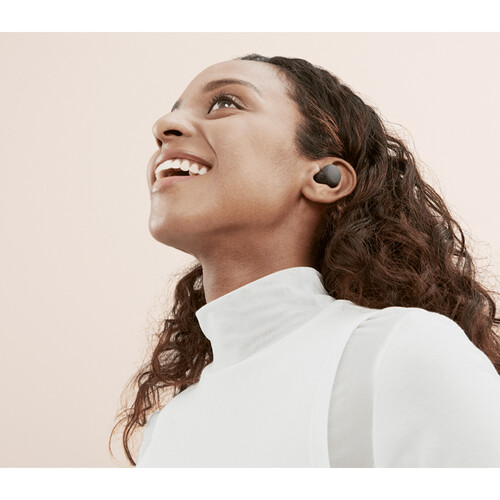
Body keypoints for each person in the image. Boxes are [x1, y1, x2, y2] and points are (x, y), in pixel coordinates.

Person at [109, 54, 500, 467]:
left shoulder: (400, 352)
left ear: (324, 177)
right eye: (173, 112)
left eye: (225, 103)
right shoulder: (166, 432)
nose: (163, 126)